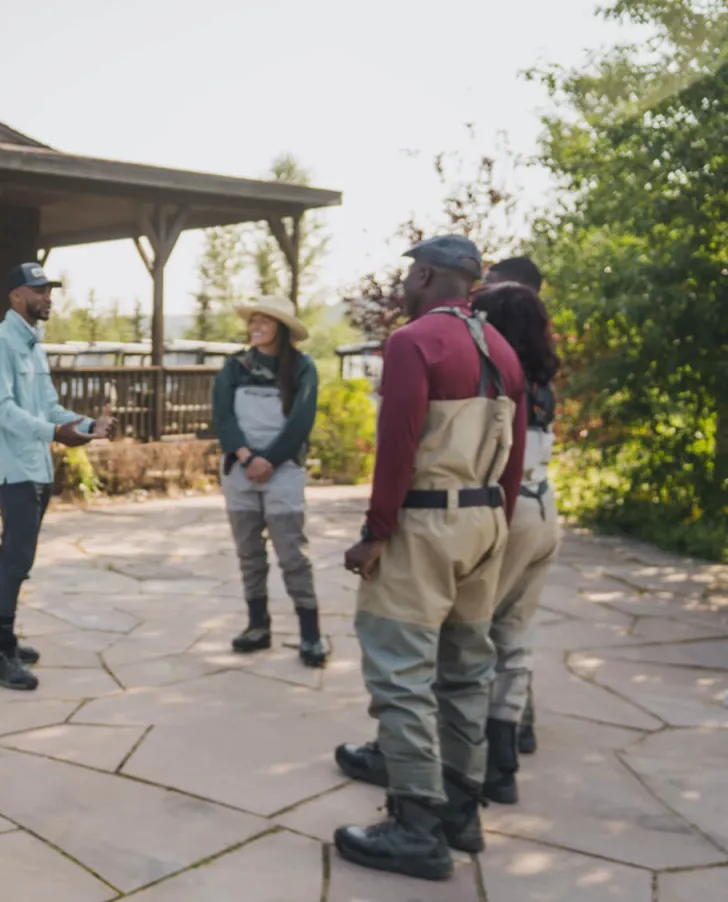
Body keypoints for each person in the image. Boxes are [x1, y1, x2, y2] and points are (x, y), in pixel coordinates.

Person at [332, 235, 527, 882]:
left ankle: (415, 826)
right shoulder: (502, 348)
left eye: (408, 278)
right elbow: (514, 458)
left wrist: (376, 530)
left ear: (423, 275)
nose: (404, 290)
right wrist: (491, 524)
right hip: (484, 523)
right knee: (467, 670)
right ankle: (460, 813)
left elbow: (399, 442)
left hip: (424, 521)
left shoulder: (413, 342)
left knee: (400, 670)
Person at [0, 263, 115, 691]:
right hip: (14, 470)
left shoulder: (34, 346)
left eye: (50, 289)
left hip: (37, 467)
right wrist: (55, 433)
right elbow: (0, 410)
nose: (48, 296)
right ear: (16, 296)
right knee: (16, 560)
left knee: (17, 559)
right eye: (39, 290)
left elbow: (48, 407)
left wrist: (87, 425)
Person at [212, 295, 327, 668]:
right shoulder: (233, 368)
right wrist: (247, 456)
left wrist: (270, 459)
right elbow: (223, 417)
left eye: (265, 321)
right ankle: (257, 626)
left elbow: (301, 420)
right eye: (253, 321)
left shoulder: (302, 368)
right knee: (249, 553)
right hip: (240, 470)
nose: (255, 327)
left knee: (292, 554)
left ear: (282, 328)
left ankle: (310, 633)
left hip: (284, 473)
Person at [484, 254, 545, 757]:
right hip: (546, 507)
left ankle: (479, 753)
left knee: (475, 630)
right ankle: (512, 739)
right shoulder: (543, 376)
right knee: (516, 631)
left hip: (511, 506)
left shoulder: (504, 378)